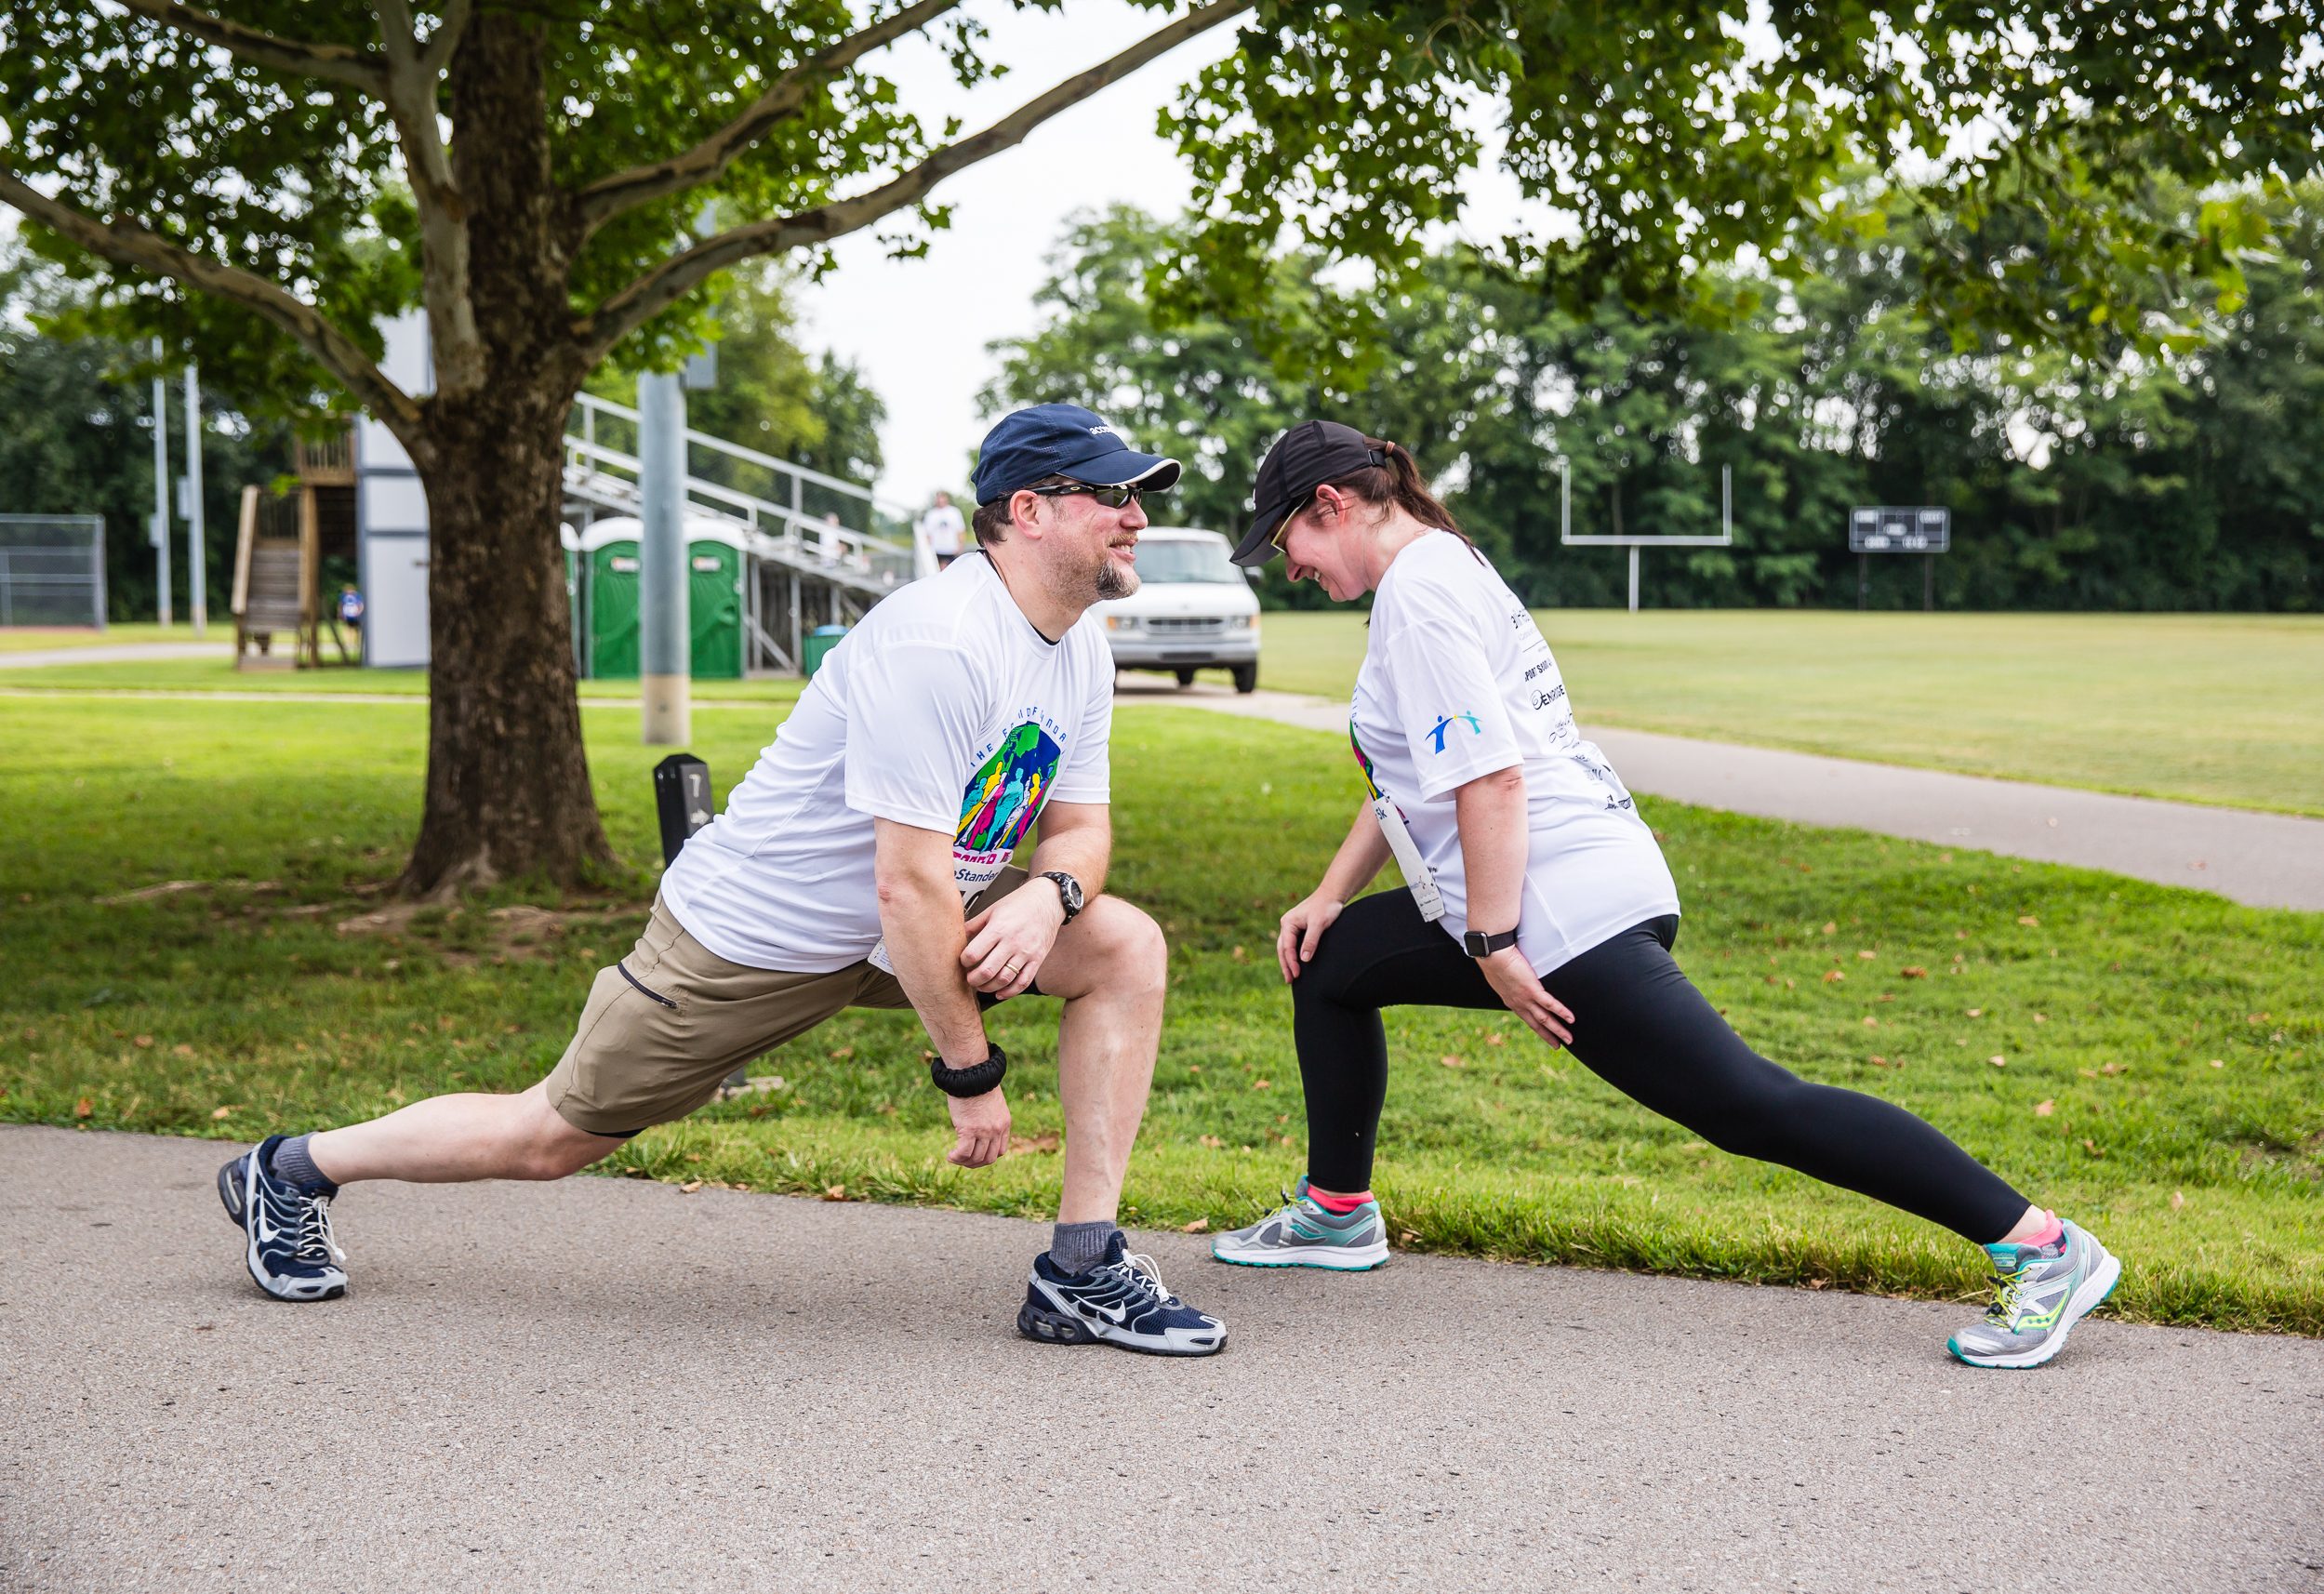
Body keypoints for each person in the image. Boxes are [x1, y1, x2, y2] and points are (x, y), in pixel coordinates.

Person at [217, 403, 1229, 1359]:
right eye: (1113, 494)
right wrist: (971, 1079)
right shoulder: (939, 640)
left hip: (912, 921)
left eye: (1139, 496)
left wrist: (1049, 896)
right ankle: (292, 1168)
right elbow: (906, 886)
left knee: (1122, 946)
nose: (1137, 517)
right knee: (549, 1138)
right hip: (751, 941)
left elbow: (1080, 830)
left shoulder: (1077, 649)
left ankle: (1082, 1271)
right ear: (1029, 511)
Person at [1204, 419, 2119, 1371]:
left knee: (1748, 1105)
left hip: (1556, 899)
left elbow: (1491, 778)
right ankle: (1337, 1211)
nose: (1289, 566)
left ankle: (2043, 1245)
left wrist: (1493, 943)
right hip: (1557, 875)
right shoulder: (1438, 567)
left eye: (1286, 540)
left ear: (1332, 505)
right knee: (1331, 962)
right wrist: (1329, 894)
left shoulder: (1419, 595)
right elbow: (1416, 776)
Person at [923, 490, 967, 570]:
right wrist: (928, 549)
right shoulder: (930, 514)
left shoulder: (954, 512)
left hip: (951, 548)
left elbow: (960, 530)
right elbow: (928, 533)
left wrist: (960, 545)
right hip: (936, 549)